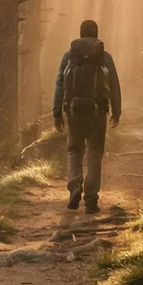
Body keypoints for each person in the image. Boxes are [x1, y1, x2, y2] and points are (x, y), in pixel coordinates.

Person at [52, 19, 122, 213]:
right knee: (94, 152)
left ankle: (74, 187)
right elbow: (114, 84)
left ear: (81, 34)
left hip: (73, 111)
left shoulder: (69, 57)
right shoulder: (104, 57)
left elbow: (59, 84)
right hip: (97, 111)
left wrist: (56, 112)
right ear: (96, 34)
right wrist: (117, 111)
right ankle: (91, 198)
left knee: (74, 150)